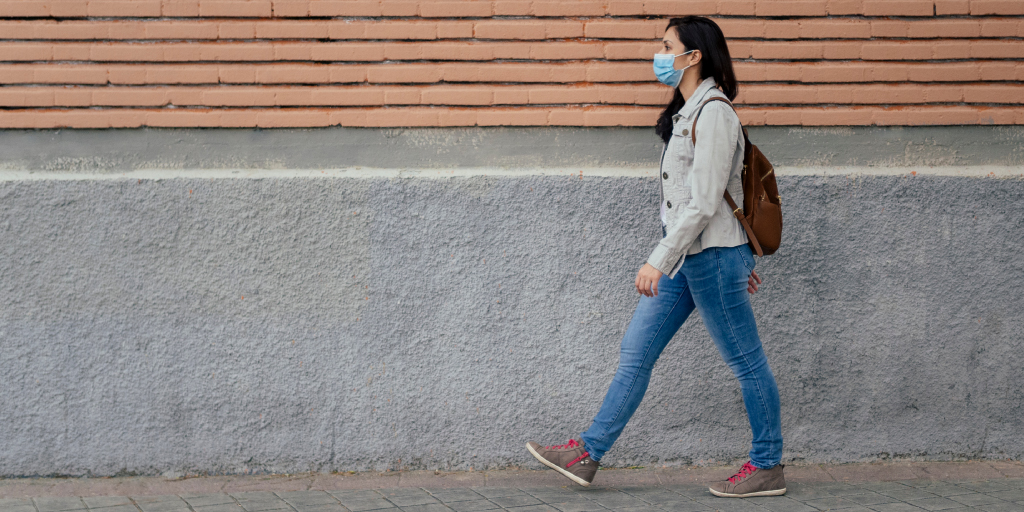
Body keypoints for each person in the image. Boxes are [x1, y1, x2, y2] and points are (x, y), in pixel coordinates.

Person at [525, 16, 786, 498]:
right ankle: (587, 453)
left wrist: (660, 259)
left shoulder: (714, 114)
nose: (659, 54)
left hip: (705, 259)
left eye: (667, 46)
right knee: (635, 353)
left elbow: (705, 202)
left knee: (747, 364)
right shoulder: (689, 112)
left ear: (694, 56)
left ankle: (768, 465)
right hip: (693, 258)